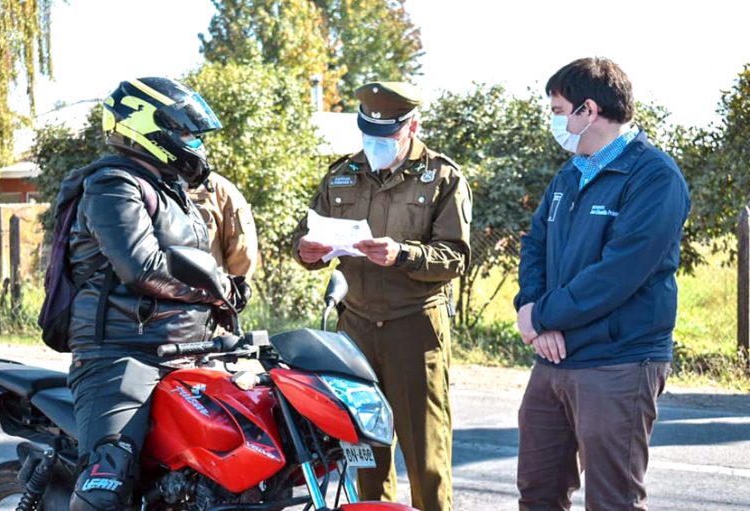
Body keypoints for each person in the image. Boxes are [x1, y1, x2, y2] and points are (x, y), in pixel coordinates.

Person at [59, 77, 246, 510]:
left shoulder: (173, 190)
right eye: (186, 132)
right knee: (107, 484)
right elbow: (141, 267)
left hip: (185, 350)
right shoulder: (112, 184)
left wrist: (224, 290)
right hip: (122, 354)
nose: (195, 142)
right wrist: (215, 289)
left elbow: (191, 264)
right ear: (148, 129)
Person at [514, 58, 691, 510]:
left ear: (587, 110)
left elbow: (618, 274)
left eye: (558, 109)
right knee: (538, 491)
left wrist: (544, 316)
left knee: (613, 500)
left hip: (618, 361)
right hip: (553, 358)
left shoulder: (655, 177)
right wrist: (530, 309)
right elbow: (535, 246)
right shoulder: (569, 174)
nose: (554, 119)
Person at [291, 81, 471, 511]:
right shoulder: (341, 175)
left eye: (386, 136)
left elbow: (456, 257)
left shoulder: (443, 177)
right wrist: (306, 251)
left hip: (414, 328)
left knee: (425, 455)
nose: (376, 145)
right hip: (355, 328)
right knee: (366, 452)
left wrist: (402, 254)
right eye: (368, 135)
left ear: (412, 126)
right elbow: (307, 235)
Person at [187, 171, 259, 279]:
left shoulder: (219, 189)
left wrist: (228, 288)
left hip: (208, 290)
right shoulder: (219, 188)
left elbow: (242, 255)